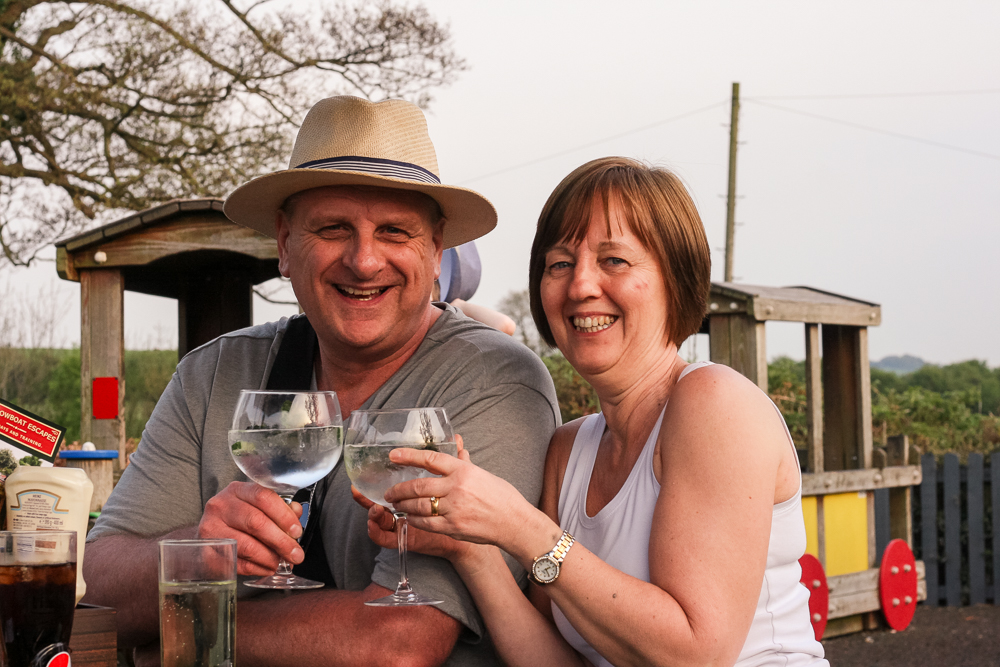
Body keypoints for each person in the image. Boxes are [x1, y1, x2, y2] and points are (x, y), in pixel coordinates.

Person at [82, 95, 561, 667]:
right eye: (333, 228)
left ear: (436, 252)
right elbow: (95, 588)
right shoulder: (211, 376)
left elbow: (397, 646)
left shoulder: (496, 381)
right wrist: (201, 553)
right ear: (285, 245)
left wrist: (182, 632)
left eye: (394, 232)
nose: (363, 261)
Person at [361, 157, 829, 667]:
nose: (581, 286)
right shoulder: (568, 450)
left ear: (676, 278)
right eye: (560, 264)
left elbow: (697, 654)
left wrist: (519, 526)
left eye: (614, 261)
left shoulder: (716, 403)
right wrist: (469, 550)